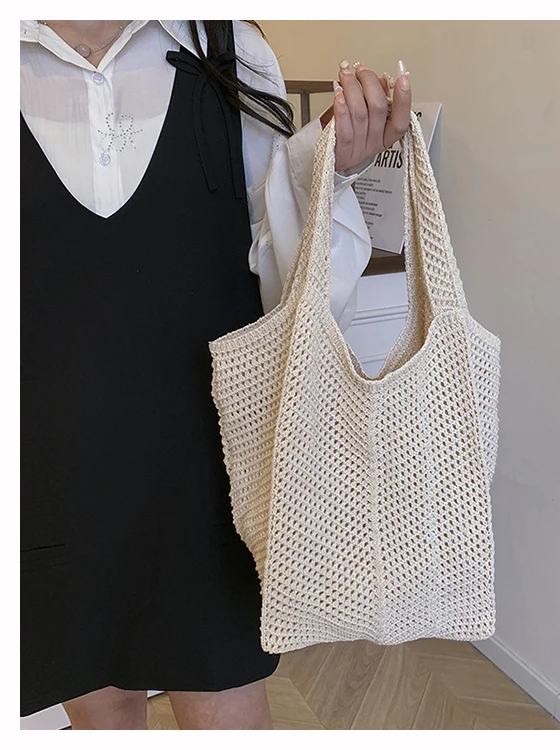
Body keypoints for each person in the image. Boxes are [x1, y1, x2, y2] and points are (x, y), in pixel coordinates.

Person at [20, 19, 412, 729]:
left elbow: (280, 259)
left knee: (226, 710)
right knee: (98, 708)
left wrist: (330, 167)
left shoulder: (228, 48)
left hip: (209, 471)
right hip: (46, 469)